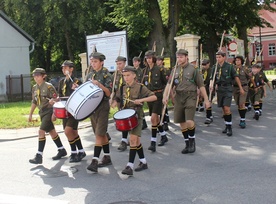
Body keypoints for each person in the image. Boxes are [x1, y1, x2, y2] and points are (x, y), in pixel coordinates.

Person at [111, 66, 157, 176]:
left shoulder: (140, 88)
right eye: (124, 76)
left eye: (128, 75)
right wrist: (113, 102)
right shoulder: (122, 88)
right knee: (136, 141)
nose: (126, 78)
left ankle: (129, 166)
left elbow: (153, 97)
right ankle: (143, 162)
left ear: (134, 75)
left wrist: (141, 100)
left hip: (136, 116)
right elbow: (117, 98)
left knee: (132, 140)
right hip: (126, 117)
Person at [163, 49, 210, 154]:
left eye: (181, 57)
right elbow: (169, 84)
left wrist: (206, 100)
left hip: (190, 96)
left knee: (189, 121)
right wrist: (165, 96)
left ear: (186, 57)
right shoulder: (175, 70)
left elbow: (201, 85)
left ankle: (192, 141)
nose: (179, 59)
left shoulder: (193, 69)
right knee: (182, 122)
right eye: (178, 57)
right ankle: (187, 142)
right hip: (179, 97)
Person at [29, 68, 67, 164]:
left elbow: (57, 99)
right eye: (34, 76)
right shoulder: (35, 87)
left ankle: (39, 156)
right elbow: (34, 101)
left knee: (41, 131)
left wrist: (53, 102)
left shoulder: (49, 87)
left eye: (38, 76)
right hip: (42, 112)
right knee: (51, 131)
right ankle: (61, 149)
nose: (36, 78)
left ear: (43, 76)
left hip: (49, 111)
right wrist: (30, 114)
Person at [85, 52, 113, 173]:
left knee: (98, 134)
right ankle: (107, 156)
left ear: (102, 62)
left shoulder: (107, 75)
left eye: (95, 61)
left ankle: (95, 160)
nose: (93, 64)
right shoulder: (90, 74)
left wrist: (99, 84)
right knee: (101, 133)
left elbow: (108, 93)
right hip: (92, 107)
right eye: (91, 61)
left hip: (102, 106)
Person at [55, 60, 86, 162]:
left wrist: (77, 89)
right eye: (63, 68)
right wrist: (55, 100)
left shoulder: (76, 81)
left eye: (66, 67)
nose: (64, 69)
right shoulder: (61, 81)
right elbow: (60, 95)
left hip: (74, 110)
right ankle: (81, 151)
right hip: (65, 110)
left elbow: (81, 94)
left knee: (68, 131)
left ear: (71, 69)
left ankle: (73, 152)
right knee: (73, 132)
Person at [209, 51, 244, 136]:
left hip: (227, 88)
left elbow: (236, 77)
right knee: (223, 109)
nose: (218, 59)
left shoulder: (229, 67)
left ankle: (229, 127)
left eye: (220, 57)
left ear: (224, 57)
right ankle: (227, 124)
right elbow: (211, 78)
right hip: (219, 89)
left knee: (227, 107)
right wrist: (211, 85)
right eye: (217, 57)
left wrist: (241, 88)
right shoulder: (215, 67)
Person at [142, 50, 168, 152]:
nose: (148, 60)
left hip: (158, 95)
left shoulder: (160, 69)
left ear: (153, 58)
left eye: (150, 58)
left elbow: (167, 83)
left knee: (153, 118)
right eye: (147, 58)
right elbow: (142, 85)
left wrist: (166, 96)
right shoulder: (144, 71)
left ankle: (153, 142)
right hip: (149, 96)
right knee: (155, 120)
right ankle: (163, 135)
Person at [112, 56, 129, 151]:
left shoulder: (129, 73)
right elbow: (115, 88)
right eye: (117, 64)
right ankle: (125, 140)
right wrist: (113, 99)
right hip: (119, 100)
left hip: (129, 99)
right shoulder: (115, 75)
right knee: (123, 120)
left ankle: (124, 141)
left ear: (124, 63)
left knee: (126, 120)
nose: (119, 66)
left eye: (120, 64)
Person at [232, 56, 252, 128]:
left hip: (243, 87)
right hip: (235, 88)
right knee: (238, 104)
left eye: (239, 60)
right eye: (236, 60)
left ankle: (243, 120)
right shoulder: (233, 69)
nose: (237, 61)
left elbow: (249, 78)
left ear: (241, 61)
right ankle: (242, 116)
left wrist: (247, 85)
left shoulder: (245, 69)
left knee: (241, 103)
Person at [133, 56, 148, 130]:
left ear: (139, 62)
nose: (135, 63)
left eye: (136, 62)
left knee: (140, 107)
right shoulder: (132, 71)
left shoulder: (141, 71)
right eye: (134, 62)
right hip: (134, 91)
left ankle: (143, 122)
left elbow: (143, 81)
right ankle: (141, 122)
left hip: (140, 90)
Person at [156, 55, 171, 131]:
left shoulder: (165, 70)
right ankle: (164, 119)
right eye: (157, 60)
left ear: (162, 61)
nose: (158, 62)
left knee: (163, 107)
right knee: (160, 107)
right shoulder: (156, 69)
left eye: (159, 60)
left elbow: (167, 82)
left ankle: (165, 123)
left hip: (163, 89)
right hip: (157, 90)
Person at [201, 59, 214, 124]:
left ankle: (208, 117)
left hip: (210, 88)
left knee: (208, 101)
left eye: (205, 64)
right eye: (202, 64)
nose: (204, 66)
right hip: (203, 88)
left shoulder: (212, 71)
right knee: (206, 102)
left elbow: (213, 79)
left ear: (208, 64)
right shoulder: (201, 71)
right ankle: (210, 115)